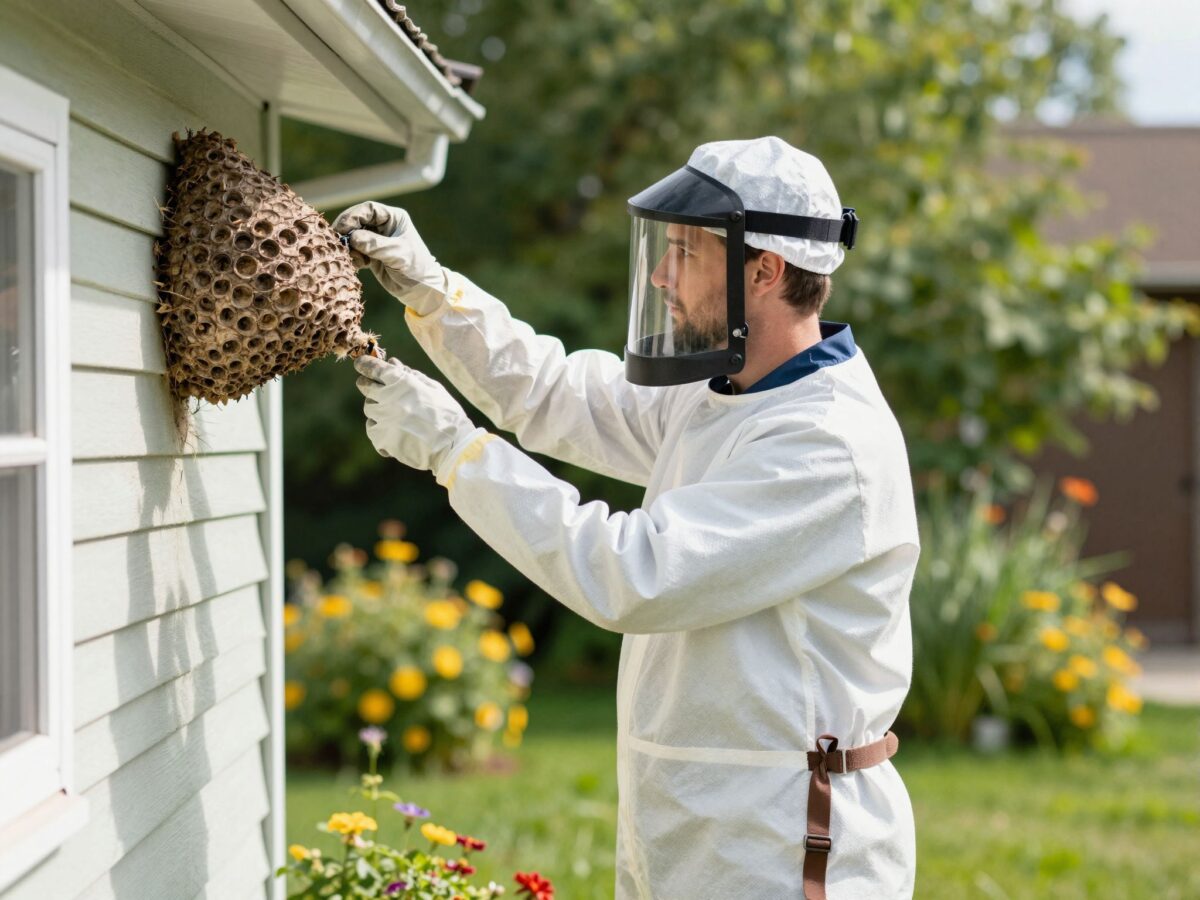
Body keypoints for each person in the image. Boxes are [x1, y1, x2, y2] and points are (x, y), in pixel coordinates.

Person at [335, 136, 919, 899]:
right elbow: (554, 394)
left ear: (765, 270)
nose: (659, 274)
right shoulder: (727, 390)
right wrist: (434, 292)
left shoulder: (828, 443)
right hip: (693, 824)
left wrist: (454, 451)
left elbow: (631, 575)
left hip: (782, 849)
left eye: (685, 250)